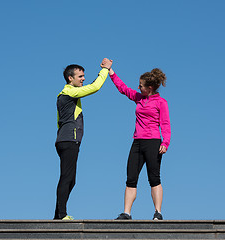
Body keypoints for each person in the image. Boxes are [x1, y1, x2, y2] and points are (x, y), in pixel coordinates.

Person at [105, 59, 171, 220]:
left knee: (154, 177)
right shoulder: (139, 98)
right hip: (137, 142)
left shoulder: (161, 103)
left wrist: (165, 142)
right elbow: (123, 89)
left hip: (154, 142)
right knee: (131, 177)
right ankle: (126, 213)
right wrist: (110, 71)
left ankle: (158, 212)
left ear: (149, 88)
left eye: (140, 85)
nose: (138, 87)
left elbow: (165, 124)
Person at [54, 59, 112, 220]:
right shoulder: (69, 92)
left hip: (68, 140)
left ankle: (58, 215)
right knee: (67, 177)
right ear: (70, 78)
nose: (83, 79)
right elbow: (95, 87)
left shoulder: (66, 95)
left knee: (71, 179)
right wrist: (105, 70)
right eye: (80, 76)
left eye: (83, 76)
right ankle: (61, 215)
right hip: (68, 140)